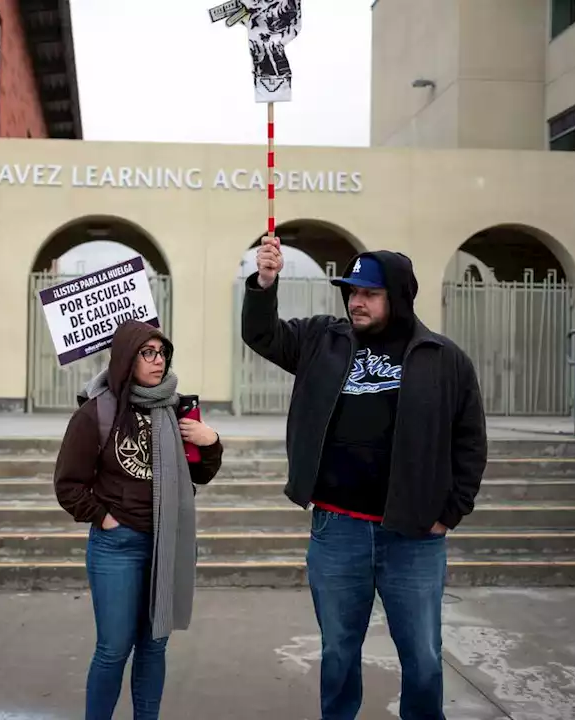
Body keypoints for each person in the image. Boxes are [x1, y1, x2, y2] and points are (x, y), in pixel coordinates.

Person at [241, 238, 487, 720]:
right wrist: (265, 283)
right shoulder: (320, 340)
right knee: (337, 653)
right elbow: (262, 334)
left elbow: (470, 441)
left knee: (423, 659)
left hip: (413, 537)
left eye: (368, 293)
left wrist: (450, 512)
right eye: (351, 291)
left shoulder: (443, 358)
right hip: (338, 532)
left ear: (397, 296)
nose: (356, 300)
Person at [54, 320, 225, 720]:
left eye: (162, 353)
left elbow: (198, 474)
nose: (157, 361)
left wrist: (210, 442)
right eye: (147, 353)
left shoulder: (176, 408)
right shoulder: (98, 411)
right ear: (127, 359)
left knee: (154, 646)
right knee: (114, 648)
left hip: (168, 542)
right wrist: (104, 518)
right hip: (118, 546)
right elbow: (68, 485)